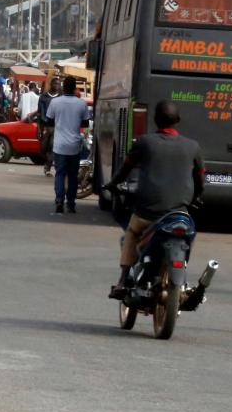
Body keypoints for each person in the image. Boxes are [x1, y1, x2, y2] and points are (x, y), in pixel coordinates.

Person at [104, 101, 204, 297]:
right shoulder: (192, 146)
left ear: (155, 120)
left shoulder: (144, 142)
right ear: (178, 121)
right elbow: (200, 178)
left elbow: (125, 169)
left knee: (132, 233)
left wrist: (112, 184)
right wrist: (197, 197)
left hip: (147, 214)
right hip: (178, 214)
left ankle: (123, 280)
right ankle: (183, 279)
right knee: (188, 236)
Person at [45, 77, 91, 214]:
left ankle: (59, 200)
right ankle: (70, 203)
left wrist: (60, 123)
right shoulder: (81, 104)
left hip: (59, 145)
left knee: (60, 173)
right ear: (74, 88)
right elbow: (85, 124)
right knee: (72, 176)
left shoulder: (55, 102)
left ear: (63, 88)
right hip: (74, 146)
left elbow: (49, 120)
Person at [37, 79, 59, 176]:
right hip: (45, 126)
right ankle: (48, 162)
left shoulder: (60, 97)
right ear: (51, 84)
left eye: (59, 84)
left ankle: (48, 167)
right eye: (55, 83)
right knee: (43, 148)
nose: (57, 86)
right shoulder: (43, 97)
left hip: (56, 126)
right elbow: (39, 113)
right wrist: (39, 128)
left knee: (52, 146)